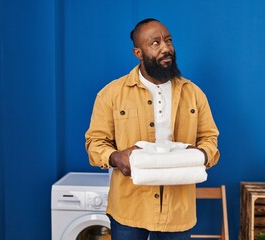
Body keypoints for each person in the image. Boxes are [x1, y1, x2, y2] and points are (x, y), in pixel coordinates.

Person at [85, 18, 220, 240]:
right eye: (155, 43)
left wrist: (200, 154)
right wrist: (116, 157)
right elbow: (95, 143)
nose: (166, 48)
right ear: (138, 52)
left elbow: (210, 139)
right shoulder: (111, 94)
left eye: (168, 40)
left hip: (177, 211)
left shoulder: (194, 94)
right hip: (130, 208)